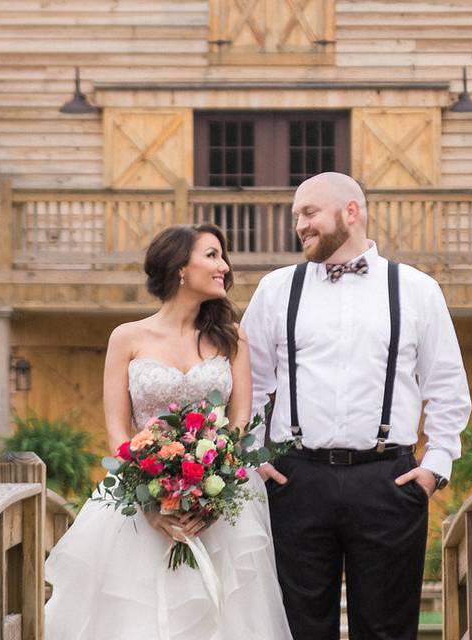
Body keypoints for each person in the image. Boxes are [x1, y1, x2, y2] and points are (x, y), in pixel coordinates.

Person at [241, 172, 472, 640]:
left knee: (387, 629)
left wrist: (435, 466)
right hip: (296, 479)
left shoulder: (417, 290)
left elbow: (446, 386)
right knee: (299, 627)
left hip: (388, 479)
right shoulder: (276, 290)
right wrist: (253, 458)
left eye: (308, 213)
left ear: (351, 212)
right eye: (295, 217)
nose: (299, 225)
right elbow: (249, 383)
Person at [44, 224, 292, 640]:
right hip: (140, 501)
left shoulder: (232, 337)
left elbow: (240, 423)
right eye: (212, 256)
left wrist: (214, 495)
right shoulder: (126, 338)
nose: (224, 267)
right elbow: (118, 431)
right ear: (180, 267)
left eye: (222, 257)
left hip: (221, 502)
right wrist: (151, 502)